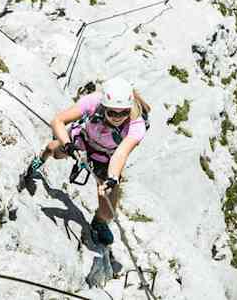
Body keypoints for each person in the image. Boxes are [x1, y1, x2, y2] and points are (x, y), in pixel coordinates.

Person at [26, 78, 151, 248]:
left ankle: (98, 222)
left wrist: (112, 178)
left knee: (108, 213)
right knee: (53, 151)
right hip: (80, 143)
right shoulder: (93, 101)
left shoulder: (137, 125)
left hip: (106, 159)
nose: (117, 117)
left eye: (122, 113)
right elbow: (58, 121)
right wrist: (68, 145)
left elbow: (121, 154)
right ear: (104, 106)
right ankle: (40, 158)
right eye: (112, 112)